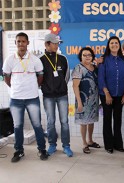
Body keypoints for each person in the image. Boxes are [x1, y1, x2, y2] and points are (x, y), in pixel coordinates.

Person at [2, 32, 48, 162]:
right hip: (16, 99)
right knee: (17, 126)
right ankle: (19, 151)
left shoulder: (35, 59)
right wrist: (15, 88)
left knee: (37, 125)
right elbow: (7, 77)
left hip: (32, 98)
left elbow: (40, 77)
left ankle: (42, 150)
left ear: (27, 43)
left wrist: (32, 88)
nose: (21, 44)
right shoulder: (9, 59)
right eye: (18, 41)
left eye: (23, 41)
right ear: (15, 43)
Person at [40, 33, 73, 157]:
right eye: (55, 43)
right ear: (47, 44)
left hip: (62, 95)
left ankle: (66, 146)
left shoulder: (63, 58)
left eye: (58, 43)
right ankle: (52, 145)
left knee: (64, 121)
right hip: (48, 96)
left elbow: (66, 75)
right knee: (50, 121)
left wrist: (61, 87)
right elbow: (39, 78)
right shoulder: (40, 59)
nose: (57, 45)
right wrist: (47, 88)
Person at [98, 36, 124, 154]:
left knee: (117, 120)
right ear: (108, 45)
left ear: (119, 45)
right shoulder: (104, 60)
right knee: (107, 120)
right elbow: (101, 78)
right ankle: (109, 145)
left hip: (120, 95)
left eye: (116, 43)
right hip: (106, 94)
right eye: (111, 43)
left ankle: (118, 144)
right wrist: (106, 93)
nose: (114, 45)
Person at [72, 47, 102, 154]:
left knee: (91, 121)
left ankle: (90, 140)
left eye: (89, 55)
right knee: (83, 122)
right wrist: (79, 102)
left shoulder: (95, 68)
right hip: (83, 100)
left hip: (94, 100)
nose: (87, 57)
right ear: (81, 56)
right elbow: (75, 86)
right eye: (84, 55)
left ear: (92, 56)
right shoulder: (78, 68)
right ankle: (84, 143)